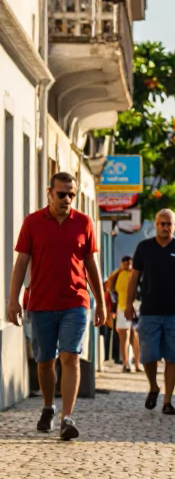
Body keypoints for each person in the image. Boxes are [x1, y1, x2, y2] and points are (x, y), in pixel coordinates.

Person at [7, 172, 106, 441]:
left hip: (76, 302)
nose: (67, 199)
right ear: (49, 192)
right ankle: (49, 407)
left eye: (71, 194)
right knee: (45, 361)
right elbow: (21, 263)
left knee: (70, 356)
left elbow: (91, 265)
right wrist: (13, 299)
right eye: (61, 194)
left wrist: (101, 302)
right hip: (40, 302)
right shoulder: (33, 222)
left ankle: (67, 418)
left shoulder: (84, 223)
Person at [126, 209, 175, 415]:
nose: (166, 227)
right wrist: (128, 304)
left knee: (173, 357)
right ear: (156, 225)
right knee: (148, 356)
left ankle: (167, 401)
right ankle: (154, 386)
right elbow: (134, 278)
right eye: (162, 224)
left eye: (169, 224)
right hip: (149, 311)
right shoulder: (144, 248)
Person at [104, 256, 139, 372]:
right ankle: (127, 363)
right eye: (125, 264)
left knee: (134, 336)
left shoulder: (134, 275)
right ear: (121, 264)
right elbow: (111, 293)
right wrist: (112, 309)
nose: (127, 266)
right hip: (122, 309)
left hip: (133, 308)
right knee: (126, 336)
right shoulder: (117, 275)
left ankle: (136, 363)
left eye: (129, 264)